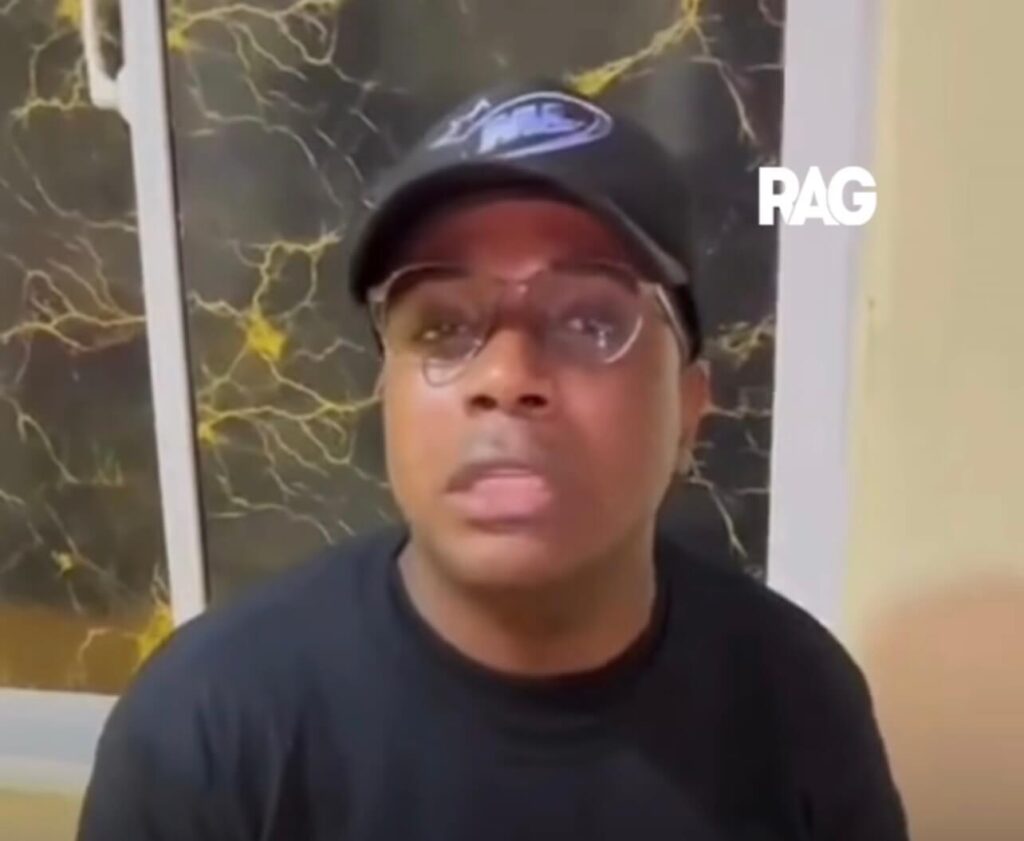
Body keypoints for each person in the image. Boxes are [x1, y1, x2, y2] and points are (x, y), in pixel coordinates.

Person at [78, 80, 908, 840]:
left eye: (589, 322)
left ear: (689, 409)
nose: (507, 378)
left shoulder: (797, 700)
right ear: (386, 395)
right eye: (442, 326)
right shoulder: (204, 733)